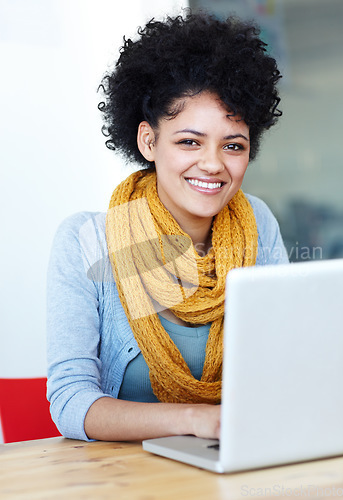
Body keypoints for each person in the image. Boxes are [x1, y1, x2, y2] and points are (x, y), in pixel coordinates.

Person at [47, 11, 289, 442]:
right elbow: (70, 402)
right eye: (189, 141)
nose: (213, 164)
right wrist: (195, 420)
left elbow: (286, 363)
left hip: (233, 465)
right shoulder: (85, 241)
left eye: (233, 145)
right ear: (148, 141)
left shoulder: (258, 225)